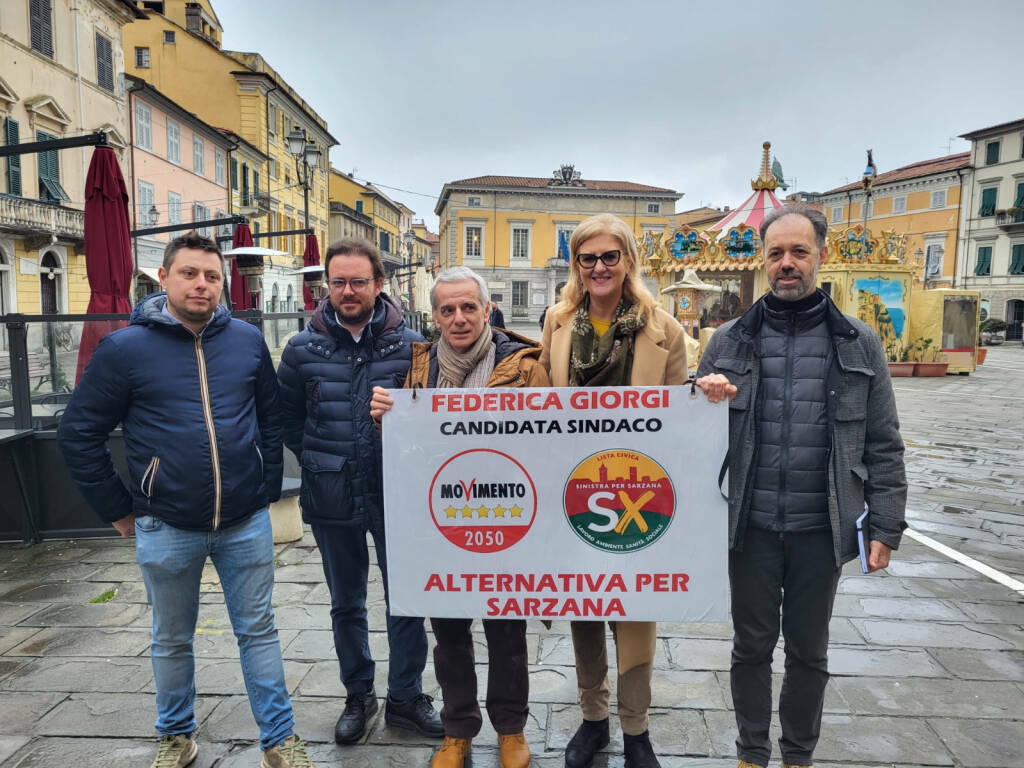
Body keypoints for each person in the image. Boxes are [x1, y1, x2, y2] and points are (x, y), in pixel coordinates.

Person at [58, 232, 313, 768]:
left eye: (212, 276)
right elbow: (79, 434)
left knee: (259, 631)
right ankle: (175, 735)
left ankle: (280, 739)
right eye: (190, 274)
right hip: (166, 524)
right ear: (165, 278)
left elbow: (269, 418)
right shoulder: (124, 349)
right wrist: (121, 512)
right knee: (171, 638)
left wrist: (265, 490)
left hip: (245, 521)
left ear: (223, 284)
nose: (201, 284)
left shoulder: (245, 341)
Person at [696, 204, 907, 768]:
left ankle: (797, 757)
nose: (787, 263)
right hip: (751, 527)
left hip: (822, 527)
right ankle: (750, 755)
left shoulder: (860, 342)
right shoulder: (727, 341)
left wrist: (886, 524)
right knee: (750, 650)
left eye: (798, 252)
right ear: (764, 261)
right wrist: (703, 393)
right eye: (776, 254)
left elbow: (883, 442)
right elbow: (693, 441)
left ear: (821, 256)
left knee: (810, 653)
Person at [539, 213, 734, 768]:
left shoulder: (663, 328)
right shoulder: (556, 322)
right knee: (584, 608)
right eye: (587, 258)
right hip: (573, 488)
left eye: (609, 256)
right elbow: (537, 399)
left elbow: (679, 410)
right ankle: (593, 718)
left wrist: (707, 390)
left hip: (639, 487)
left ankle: (637, 728)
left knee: (635, 609)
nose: (599, 267)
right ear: (577, 265)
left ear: (627, 261)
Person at [371, 266, 548, 768]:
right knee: (448, 633)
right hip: (441, 522)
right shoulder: (419, 368)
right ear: (434, 317)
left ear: (487, 310)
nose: (459, 318)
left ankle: (510, 730)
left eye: (468, 307)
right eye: (447, 309)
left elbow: (553, 443)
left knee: (506, 630)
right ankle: (457, 729)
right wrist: (388, 419)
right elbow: (408, 451)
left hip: (509, 517)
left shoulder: (525, 364)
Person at [276, 237, 441, 745]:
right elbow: (287, 420)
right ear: (328, 284)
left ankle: (406, 696)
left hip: (398, 493)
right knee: (346, 602)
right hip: (332, 494)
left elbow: (432, 416)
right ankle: (358, 694)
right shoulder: (302, 348)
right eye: (339, 281)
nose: (348, 290)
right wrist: (321, 464)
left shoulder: (411, 345)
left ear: (379, 284)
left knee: (407, 599)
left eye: (358, 281)